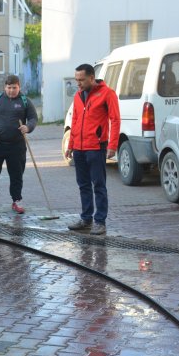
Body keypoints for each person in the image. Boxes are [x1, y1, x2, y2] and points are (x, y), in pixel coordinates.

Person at [64, 63, 121, 236]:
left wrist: (112, 145)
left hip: (96, 147)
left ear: (91, 77)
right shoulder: (78, 95)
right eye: (76, 80)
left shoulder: (107, 94)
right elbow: (74, 121)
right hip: (80, 148)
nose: (78, 84)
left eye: (81, 80)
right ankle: (86, 219)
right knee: (83, 185)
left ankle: (100, 221)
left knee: (99, 185)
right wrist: (71, 145)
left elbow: (115, 120)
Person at [0, 74, 38, 214]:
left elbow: (33, 118)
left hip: (16, 146)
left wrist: (28, 127)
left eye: (14, 88)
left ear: (19, 87)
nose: (12, 90)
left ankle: (16, 200)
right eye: (9, 87)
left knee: (16, 174)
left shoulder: (25, 101)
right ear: (4, 87)